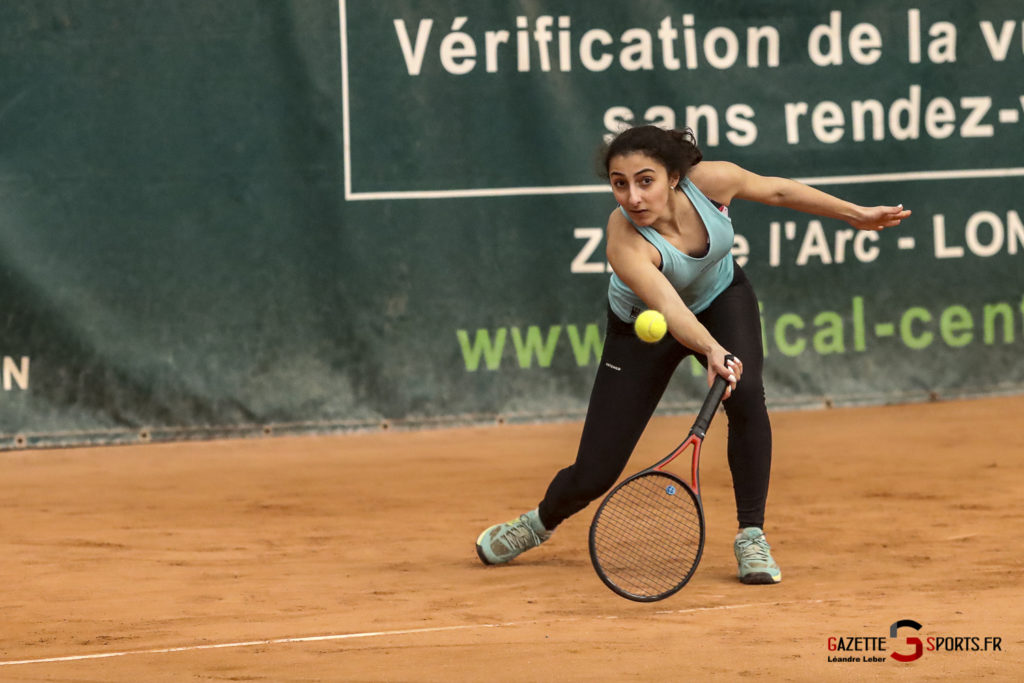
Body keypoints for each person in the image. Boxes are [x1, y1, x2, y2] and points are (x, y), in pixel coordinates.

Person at [475, 125, 910, 584]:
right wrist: (711, 349)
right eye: (619, 184)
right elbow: (668, 308)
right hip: (644, 329)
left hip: (723, 295)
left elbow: (779, 191)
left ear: (675, 178)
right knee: (596, 470)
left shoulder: (714, 181)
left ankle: (751, 536)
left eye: (646, 180)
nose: (633, 197)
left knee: (746, 398)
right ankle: (537, 523)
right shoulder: (624, 240)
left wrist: (854, 214)